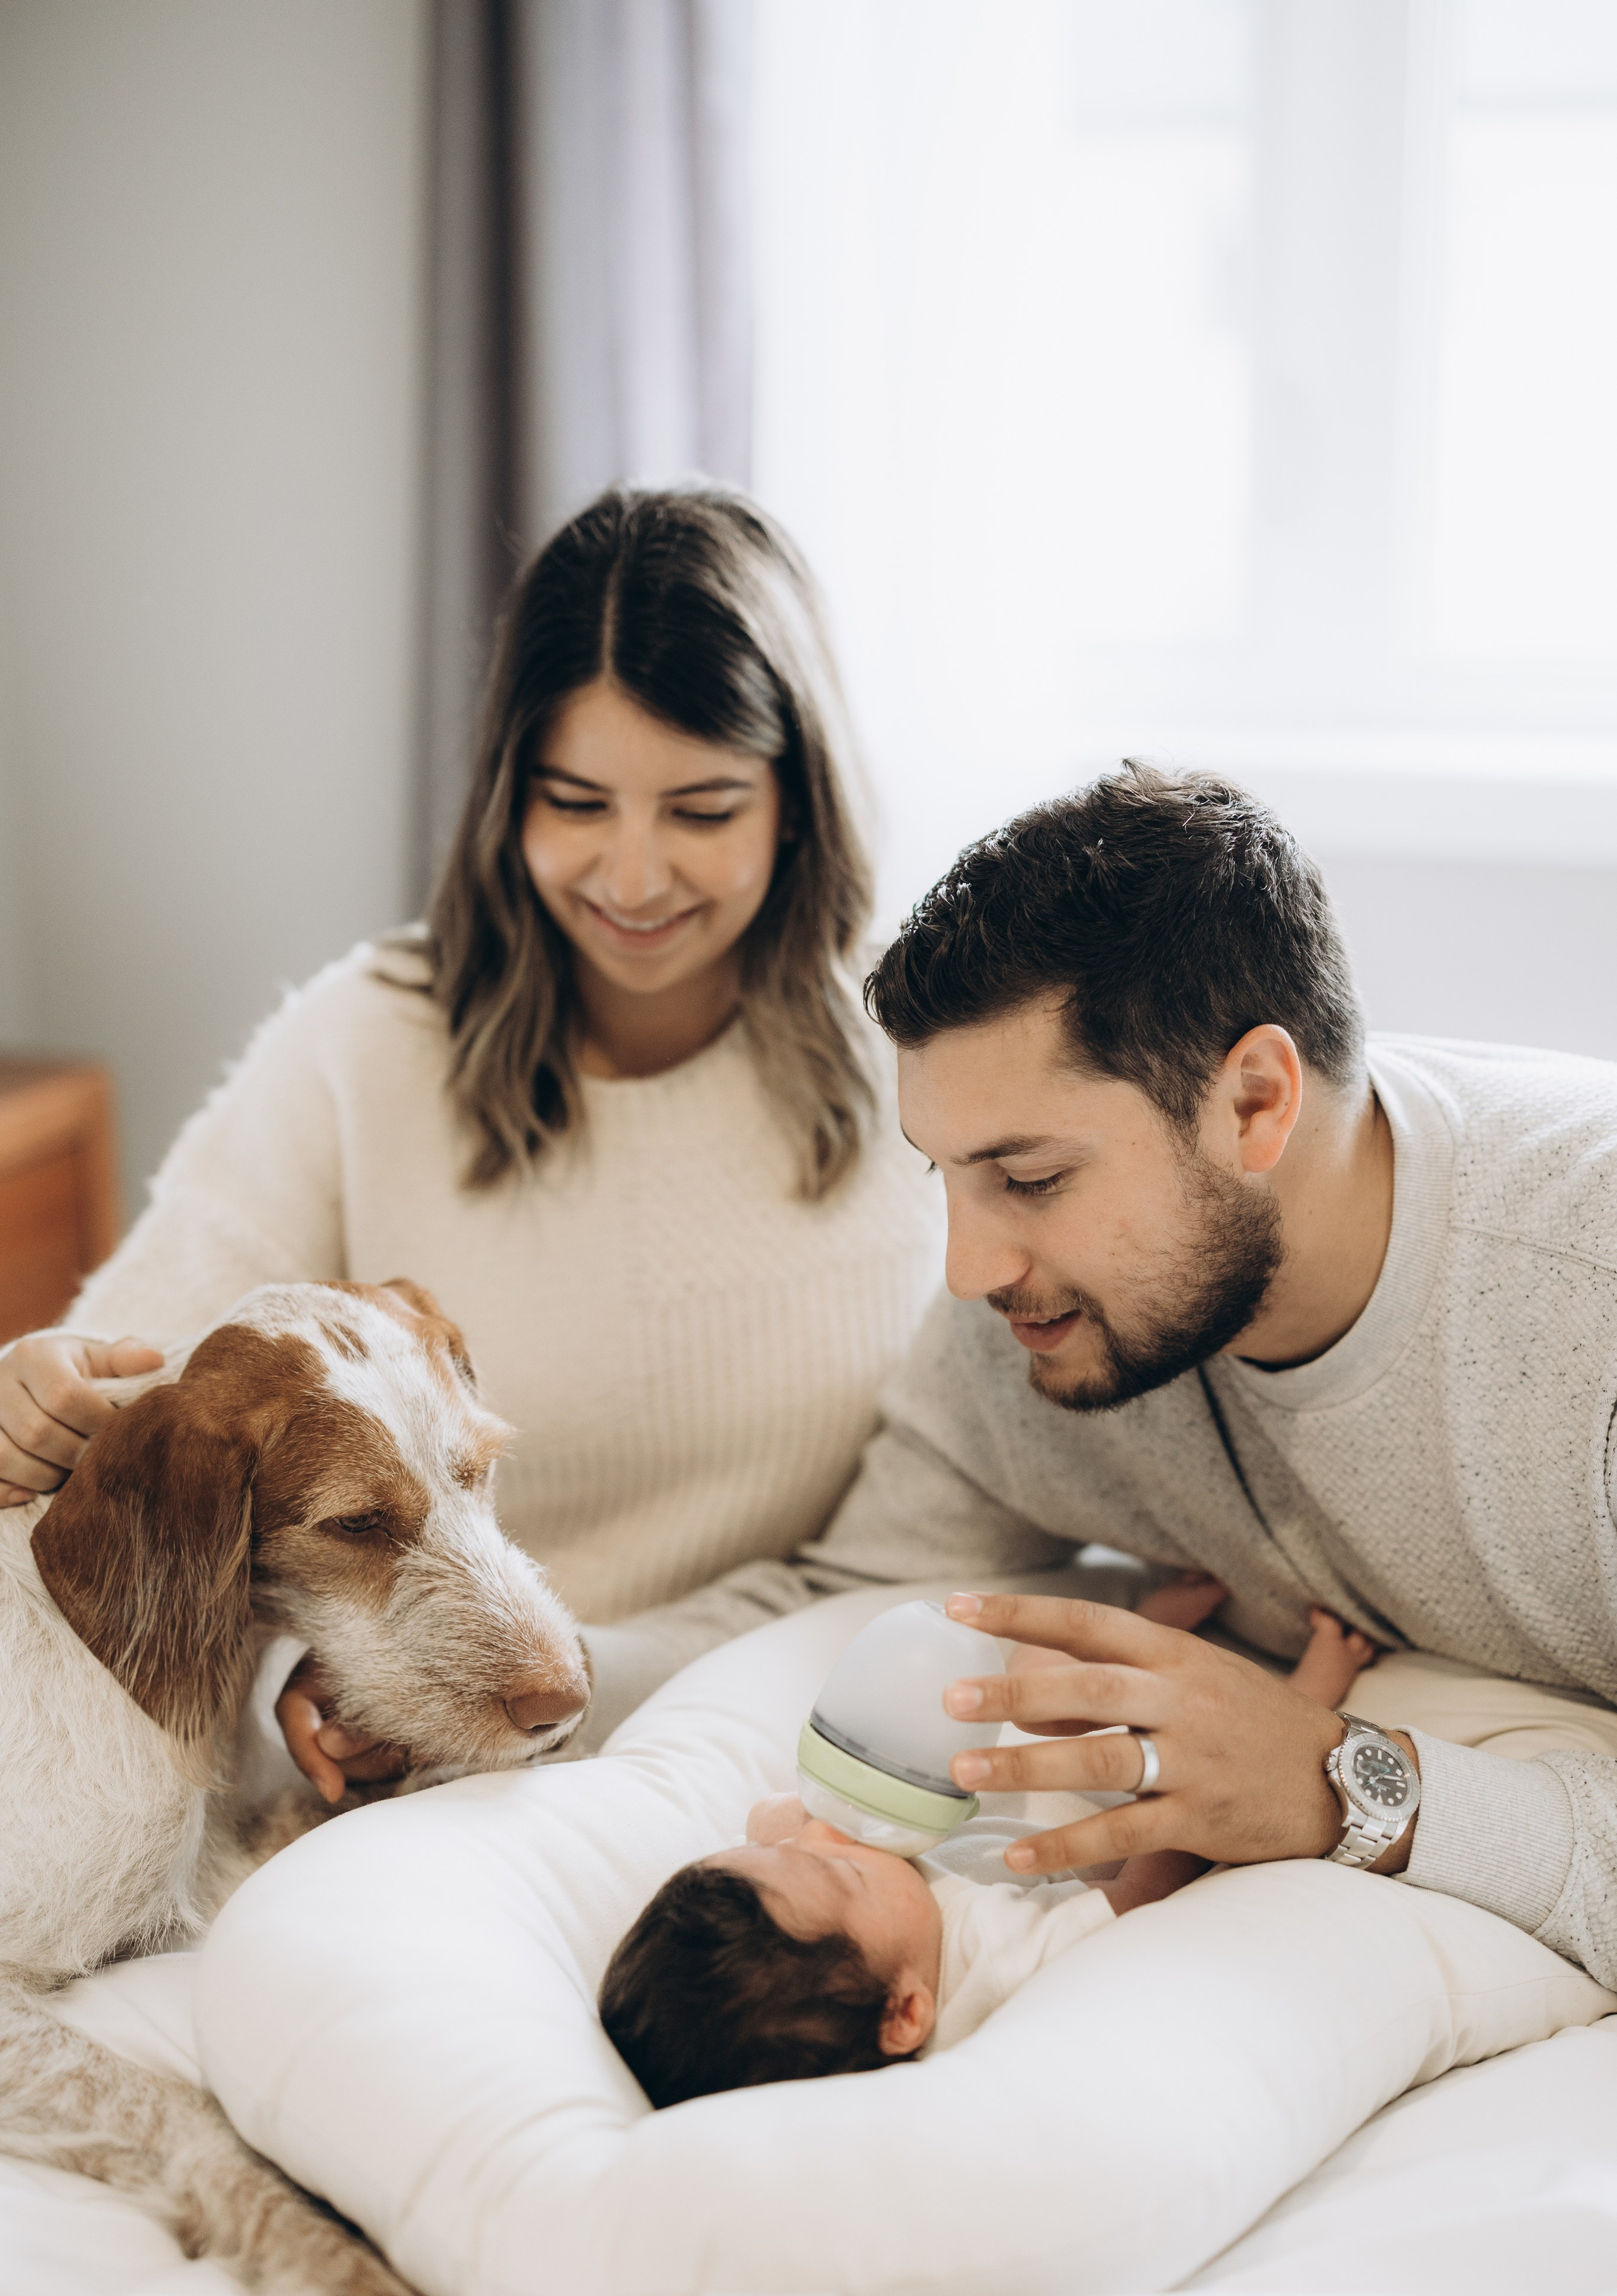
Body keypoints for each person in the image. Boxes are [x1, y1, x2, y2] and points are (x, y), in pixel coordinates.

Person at [577, 762, 1617, 1992]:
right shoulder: (1030, 1324)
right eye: (945, 1177)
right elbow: (844, 1595)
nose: (967, 1270)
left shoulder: (1578, 1305)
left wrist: (1342, 1784)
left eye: (1027, 1181)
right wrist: (496, 1691)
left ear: (1252, 1101)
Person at [0, 486, 942, 1792]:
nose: (630, 876)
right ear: (507, 794)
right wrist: (35, 1419)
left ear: (798, 802)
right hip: (416, 1751)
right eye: (575, 801)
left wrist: (589, 1683)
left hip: (765, 1734)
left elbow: (932, 1546)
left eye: (703, 810)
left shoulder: (932, 1073)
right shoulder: (361, 1045)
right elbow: (142, 1443)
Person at [599, 1609, 1380, 2108]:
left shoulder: (829, 1915)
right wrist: (1179, 1811)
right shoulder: (991, 1964)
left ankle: (1157, 1609)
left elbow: (781, 1829)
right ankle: (1314, 1685)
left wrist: (797, 1832)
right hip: (1108, 1804)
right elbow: (1139, 1898)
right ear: (907, 2012)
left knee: (1031, 1685)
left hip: (977, 1784)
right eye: (832, 1867)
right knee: (1177, 1743)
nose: (817, 1839)